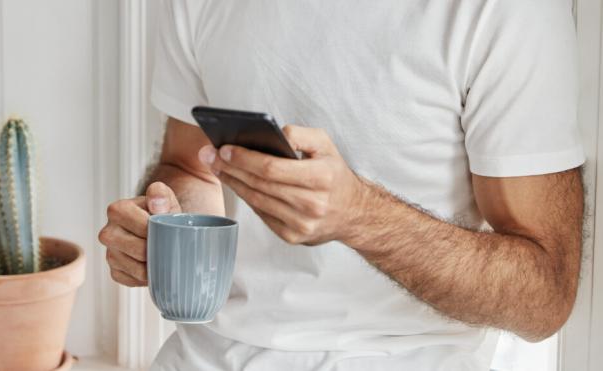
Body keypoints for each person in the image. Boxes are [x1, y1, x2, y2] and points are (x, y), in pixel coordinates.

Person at [98, 0, 584, 370]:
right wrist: (166, 224)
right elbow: (189, 164)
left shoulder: (511, 12)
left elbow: (544, 295)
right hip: (204, 354)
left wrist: (361, 217)